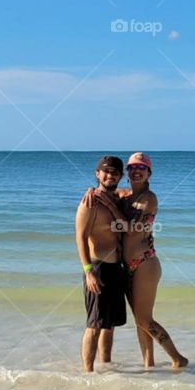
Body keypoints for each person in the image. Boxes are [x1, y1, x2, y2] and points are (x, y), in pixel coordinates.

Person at [88, 152, 188, 370]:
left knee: (144, 320)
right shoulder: (123, 196)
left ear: (149, 173)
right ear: (127, 173)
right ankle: (148, 365)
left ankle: (178, 359)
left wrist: (112, 207)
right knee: (140, 321)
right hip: (125, 266)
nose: (136, 171)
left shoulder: (149, 198)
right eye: (132, 167)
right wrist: (92, 191)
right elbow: (104, 192)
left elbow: (132, 229)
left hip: (145, 264)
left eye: (141, 168)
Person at [75, 155, 127, 373]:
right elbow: (80, 237)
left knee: (110, 326)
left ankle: (107, 368)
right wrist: (88, 271)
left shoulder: (119, 198)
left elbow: (124, 227)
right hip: (98, 268)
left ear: (120, 176)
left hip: (116, 269)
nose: (109, 175)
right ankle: (87, 374)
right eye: (105, 171)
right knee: (95, 325)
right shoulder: (89, 202)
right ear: (97, 174)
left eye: (115, 172)